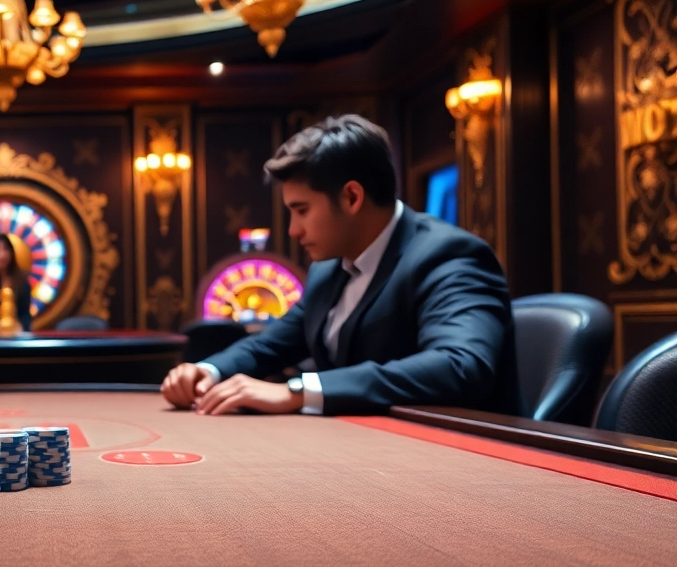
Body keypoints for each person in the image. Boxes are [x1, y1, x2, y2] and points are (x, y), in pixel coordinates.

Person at [162, 114, 521, 416]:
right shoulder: (329, 268)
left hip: (462, 462)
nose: (293, 230)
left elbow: (461, 366)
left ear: (352, 197)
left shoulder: (449, 255)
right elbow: (269, 345)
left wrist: (299, 391)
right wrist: (208, 370)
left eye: (302, 210)